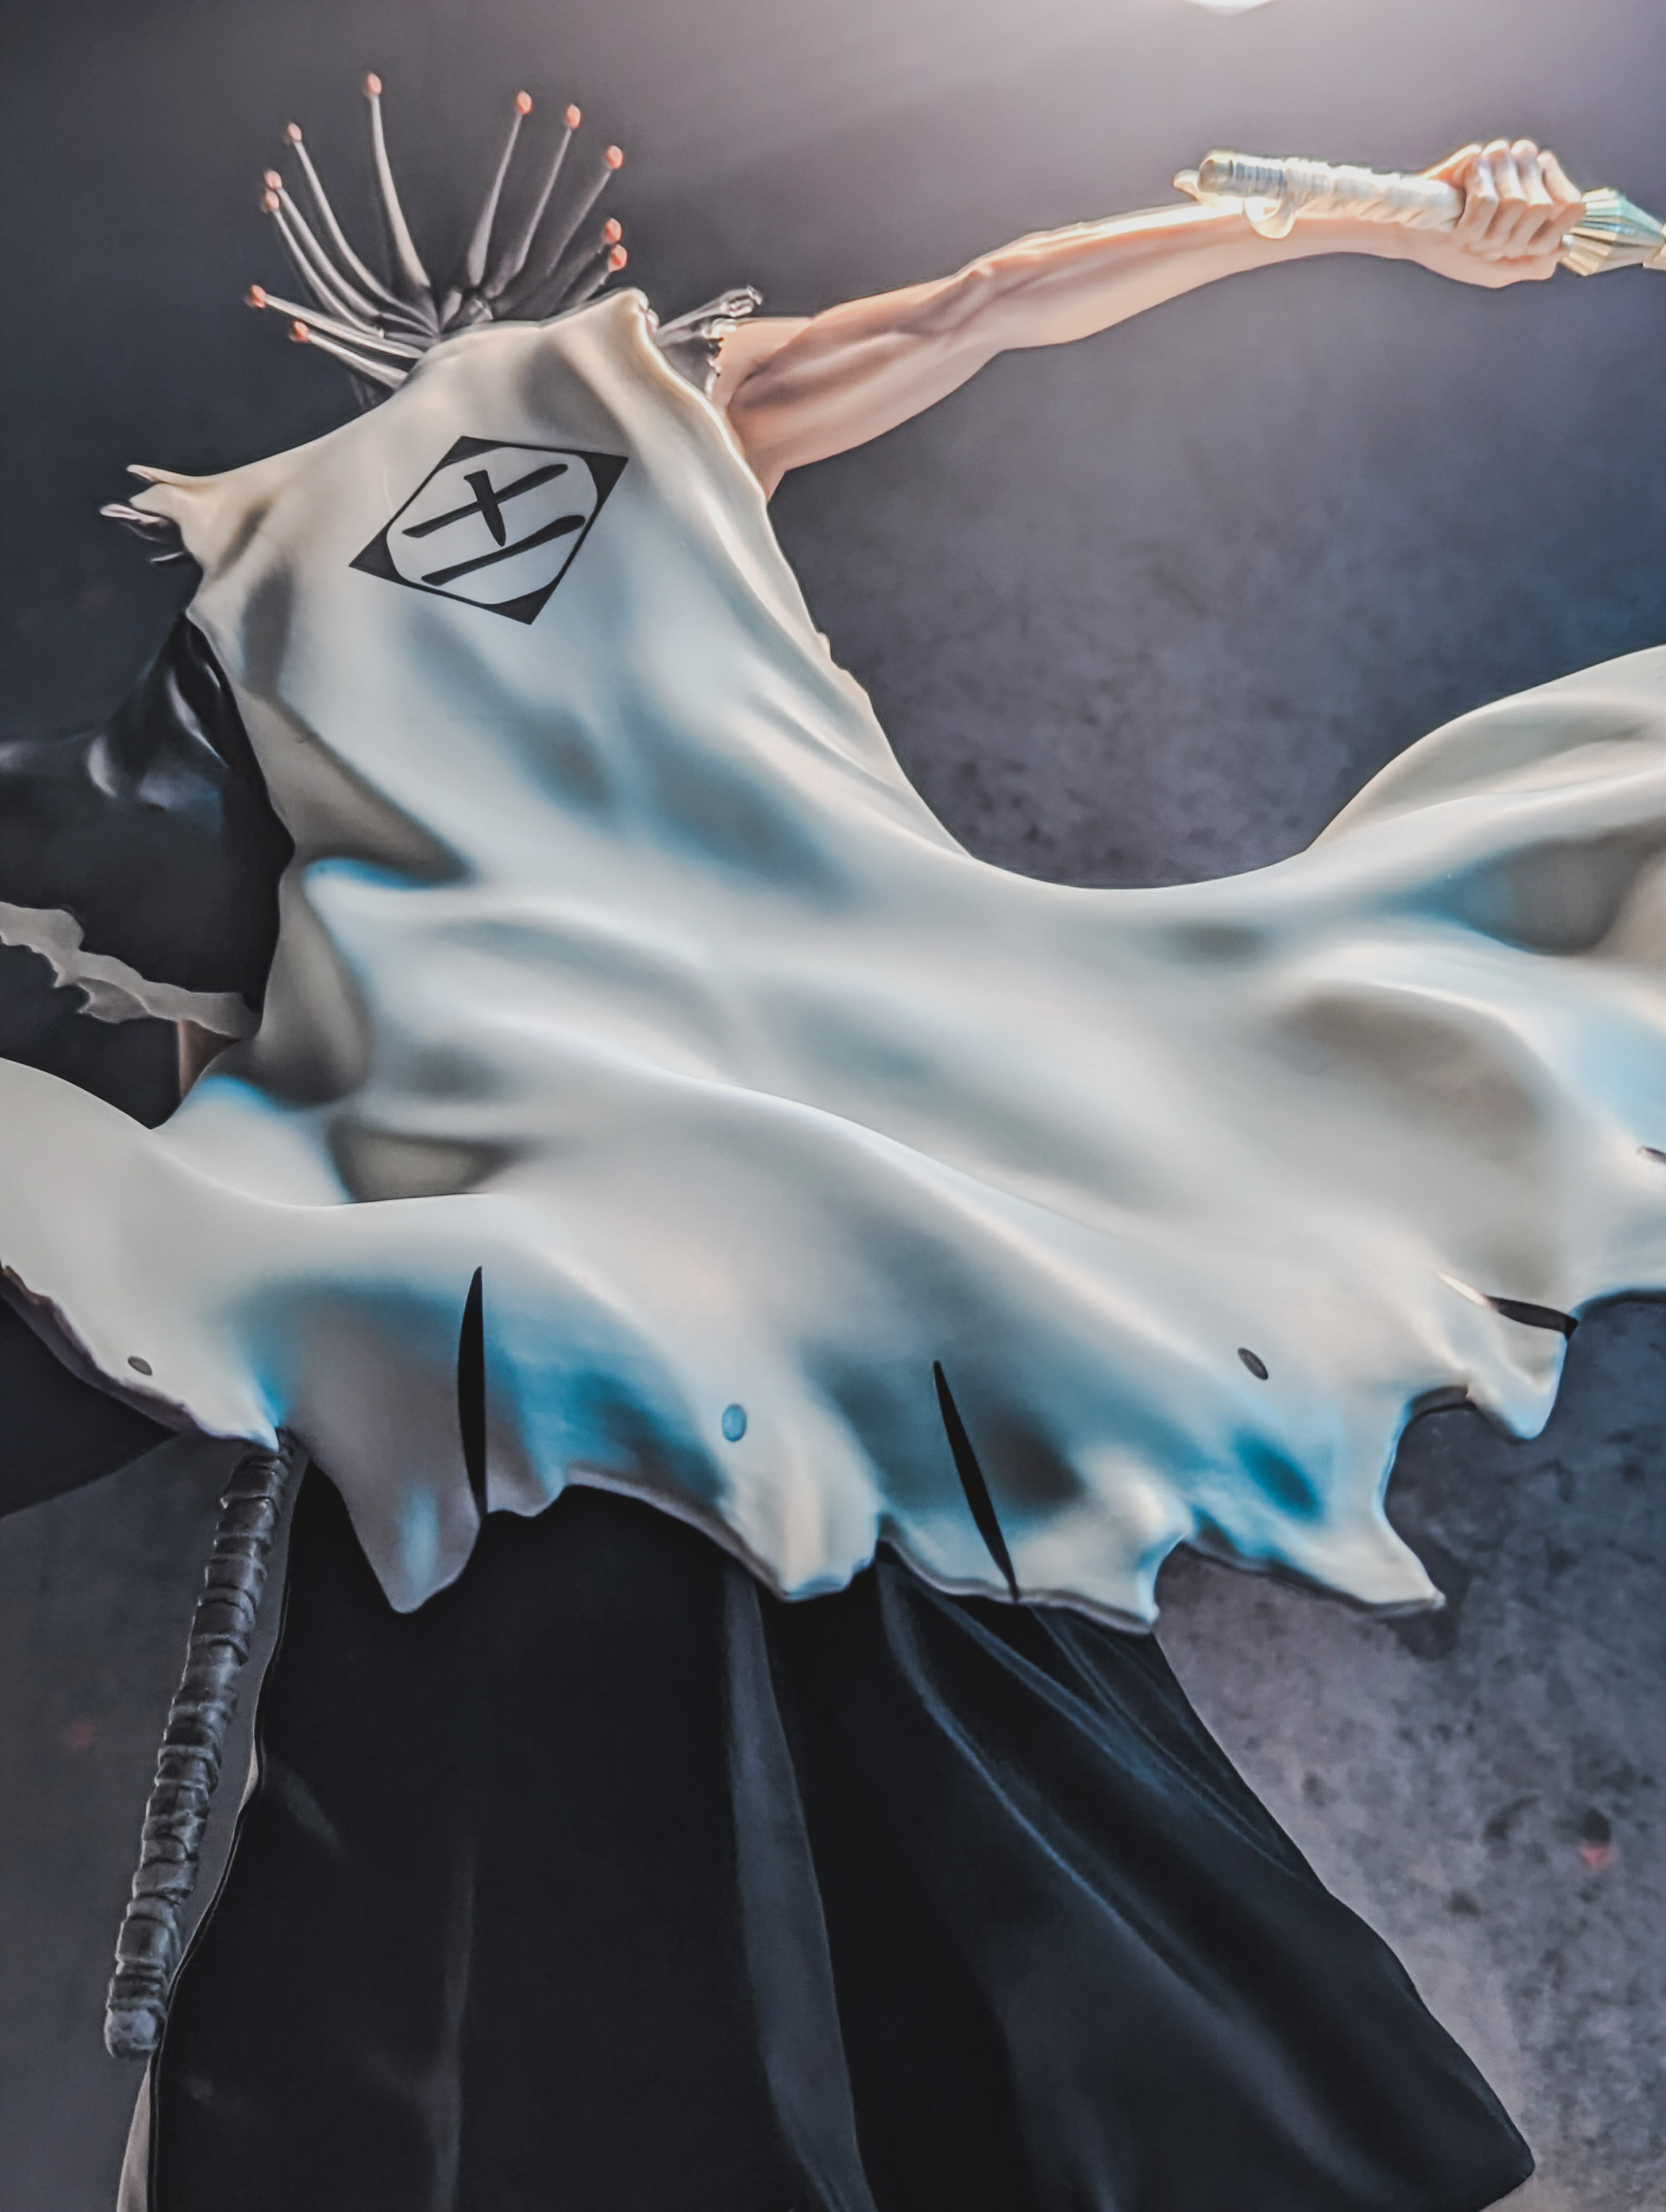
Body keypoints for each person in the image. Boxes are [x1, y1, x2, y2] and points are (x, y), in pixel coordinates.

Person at [2, 92, 1659, 2208]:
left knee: (547, 1827)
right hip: (682, 1298)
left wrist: (1367, 217)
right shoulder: (588, 429)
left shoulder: (306, 584)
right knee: (841, 1763)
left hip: (541, 1323)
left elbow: (206, 988)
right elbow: (987, 303)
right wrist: (1365, 220)